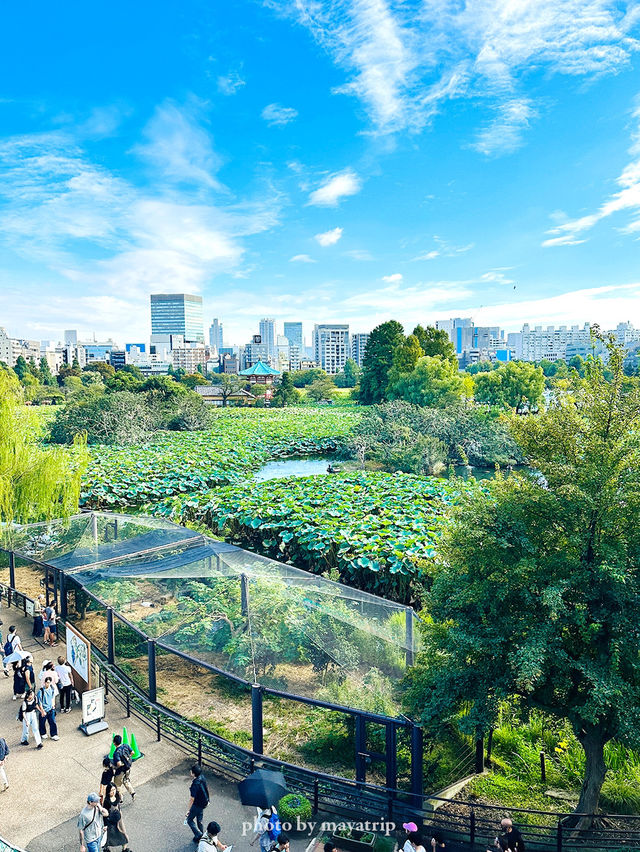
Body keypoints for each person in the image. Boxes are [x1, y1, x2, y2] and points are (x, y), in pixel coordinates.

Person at [103, 782, 131, 851]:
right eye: (111, 790)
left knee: (124, 835)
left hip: (119, 819)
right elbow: (105, 814)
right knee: (109, 837)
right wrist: (105, 825)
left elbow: (119, 805)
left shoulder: (117, 795)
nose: (113, 792)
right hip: (111, 822)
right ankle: (106, 848)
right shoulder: (107, 801)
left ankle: (124, 849)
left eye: (114, 789)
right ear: (108, 791)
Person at [186, 763, 210, 843]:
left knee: (189, 820)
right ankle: (202, 833)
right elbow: (206, 789)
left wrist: (188, 810)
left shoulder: (195, 785)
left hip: (197, 804)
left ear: (193, 773)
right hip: (204, 803)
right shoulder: (202, 778)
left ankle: (198, 834)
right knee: (199, 819)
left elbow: (192, 799)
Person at [112, 734, 136, 801]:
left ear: (114, 743)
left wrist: (116, 766)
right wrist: (127, 759)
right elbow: (133, 752)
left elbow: (119, 764)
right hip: (128, 768)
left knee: (117, 784)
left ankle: (120, 797)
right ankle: (132, 793)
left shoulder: (116, 753)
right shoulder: (125, 745)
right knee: (126, 780)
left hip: (121, 771)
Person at [36, 676, 59, 740]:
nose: (48, 684)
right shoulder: (40, 691)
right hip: (44, 709)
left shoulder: (51, 689)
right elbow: (39, 702)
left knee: (52, 722)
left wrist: (53, 705)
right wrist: (42, 711)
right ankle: (43, 733)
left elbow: (52, 697)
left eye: (49, 683)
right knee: (42, 723)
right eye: (47, 682)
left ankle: (54, 734)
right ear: (44, 682)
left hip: (50, 709)